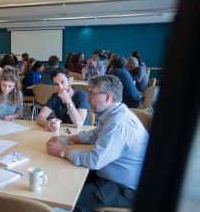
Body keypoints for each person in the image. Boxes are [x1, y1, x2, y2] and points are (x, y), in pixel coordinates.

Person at [46, 75, 149, 212]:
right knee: (65, 183)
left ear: (107, 97)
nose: (87, 98)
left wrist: (62, 152)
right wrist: (66, 139)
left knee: (68, 202)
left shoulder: (118, 124)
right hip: (110, 172)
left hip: (125, 187)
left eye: (91, 93)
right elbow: (94, 134)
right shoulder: (113, 113)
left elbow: (94, 160)